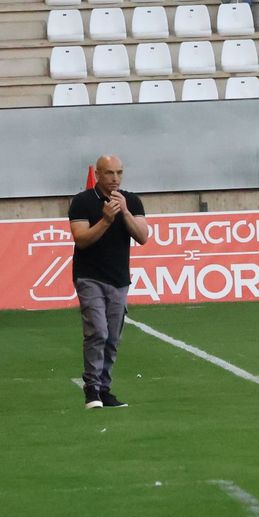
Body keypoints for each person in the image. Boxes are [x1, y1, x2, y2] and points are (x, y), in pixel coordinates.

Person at [68, 155, 148, 410]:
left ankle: (104, 389)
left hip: (119, 278)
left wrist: (124, 211)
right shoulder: (81, 202)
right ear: (99, 174)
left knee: (112, 337)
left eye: (119, 173)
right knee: (98, 331)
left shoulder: (131, 201)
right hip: (89, 276)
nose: (115, 178)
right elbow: (81, 239)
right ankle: (91, 388)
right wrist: (105, 220)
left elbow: (143, 236)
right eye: (110, 173)